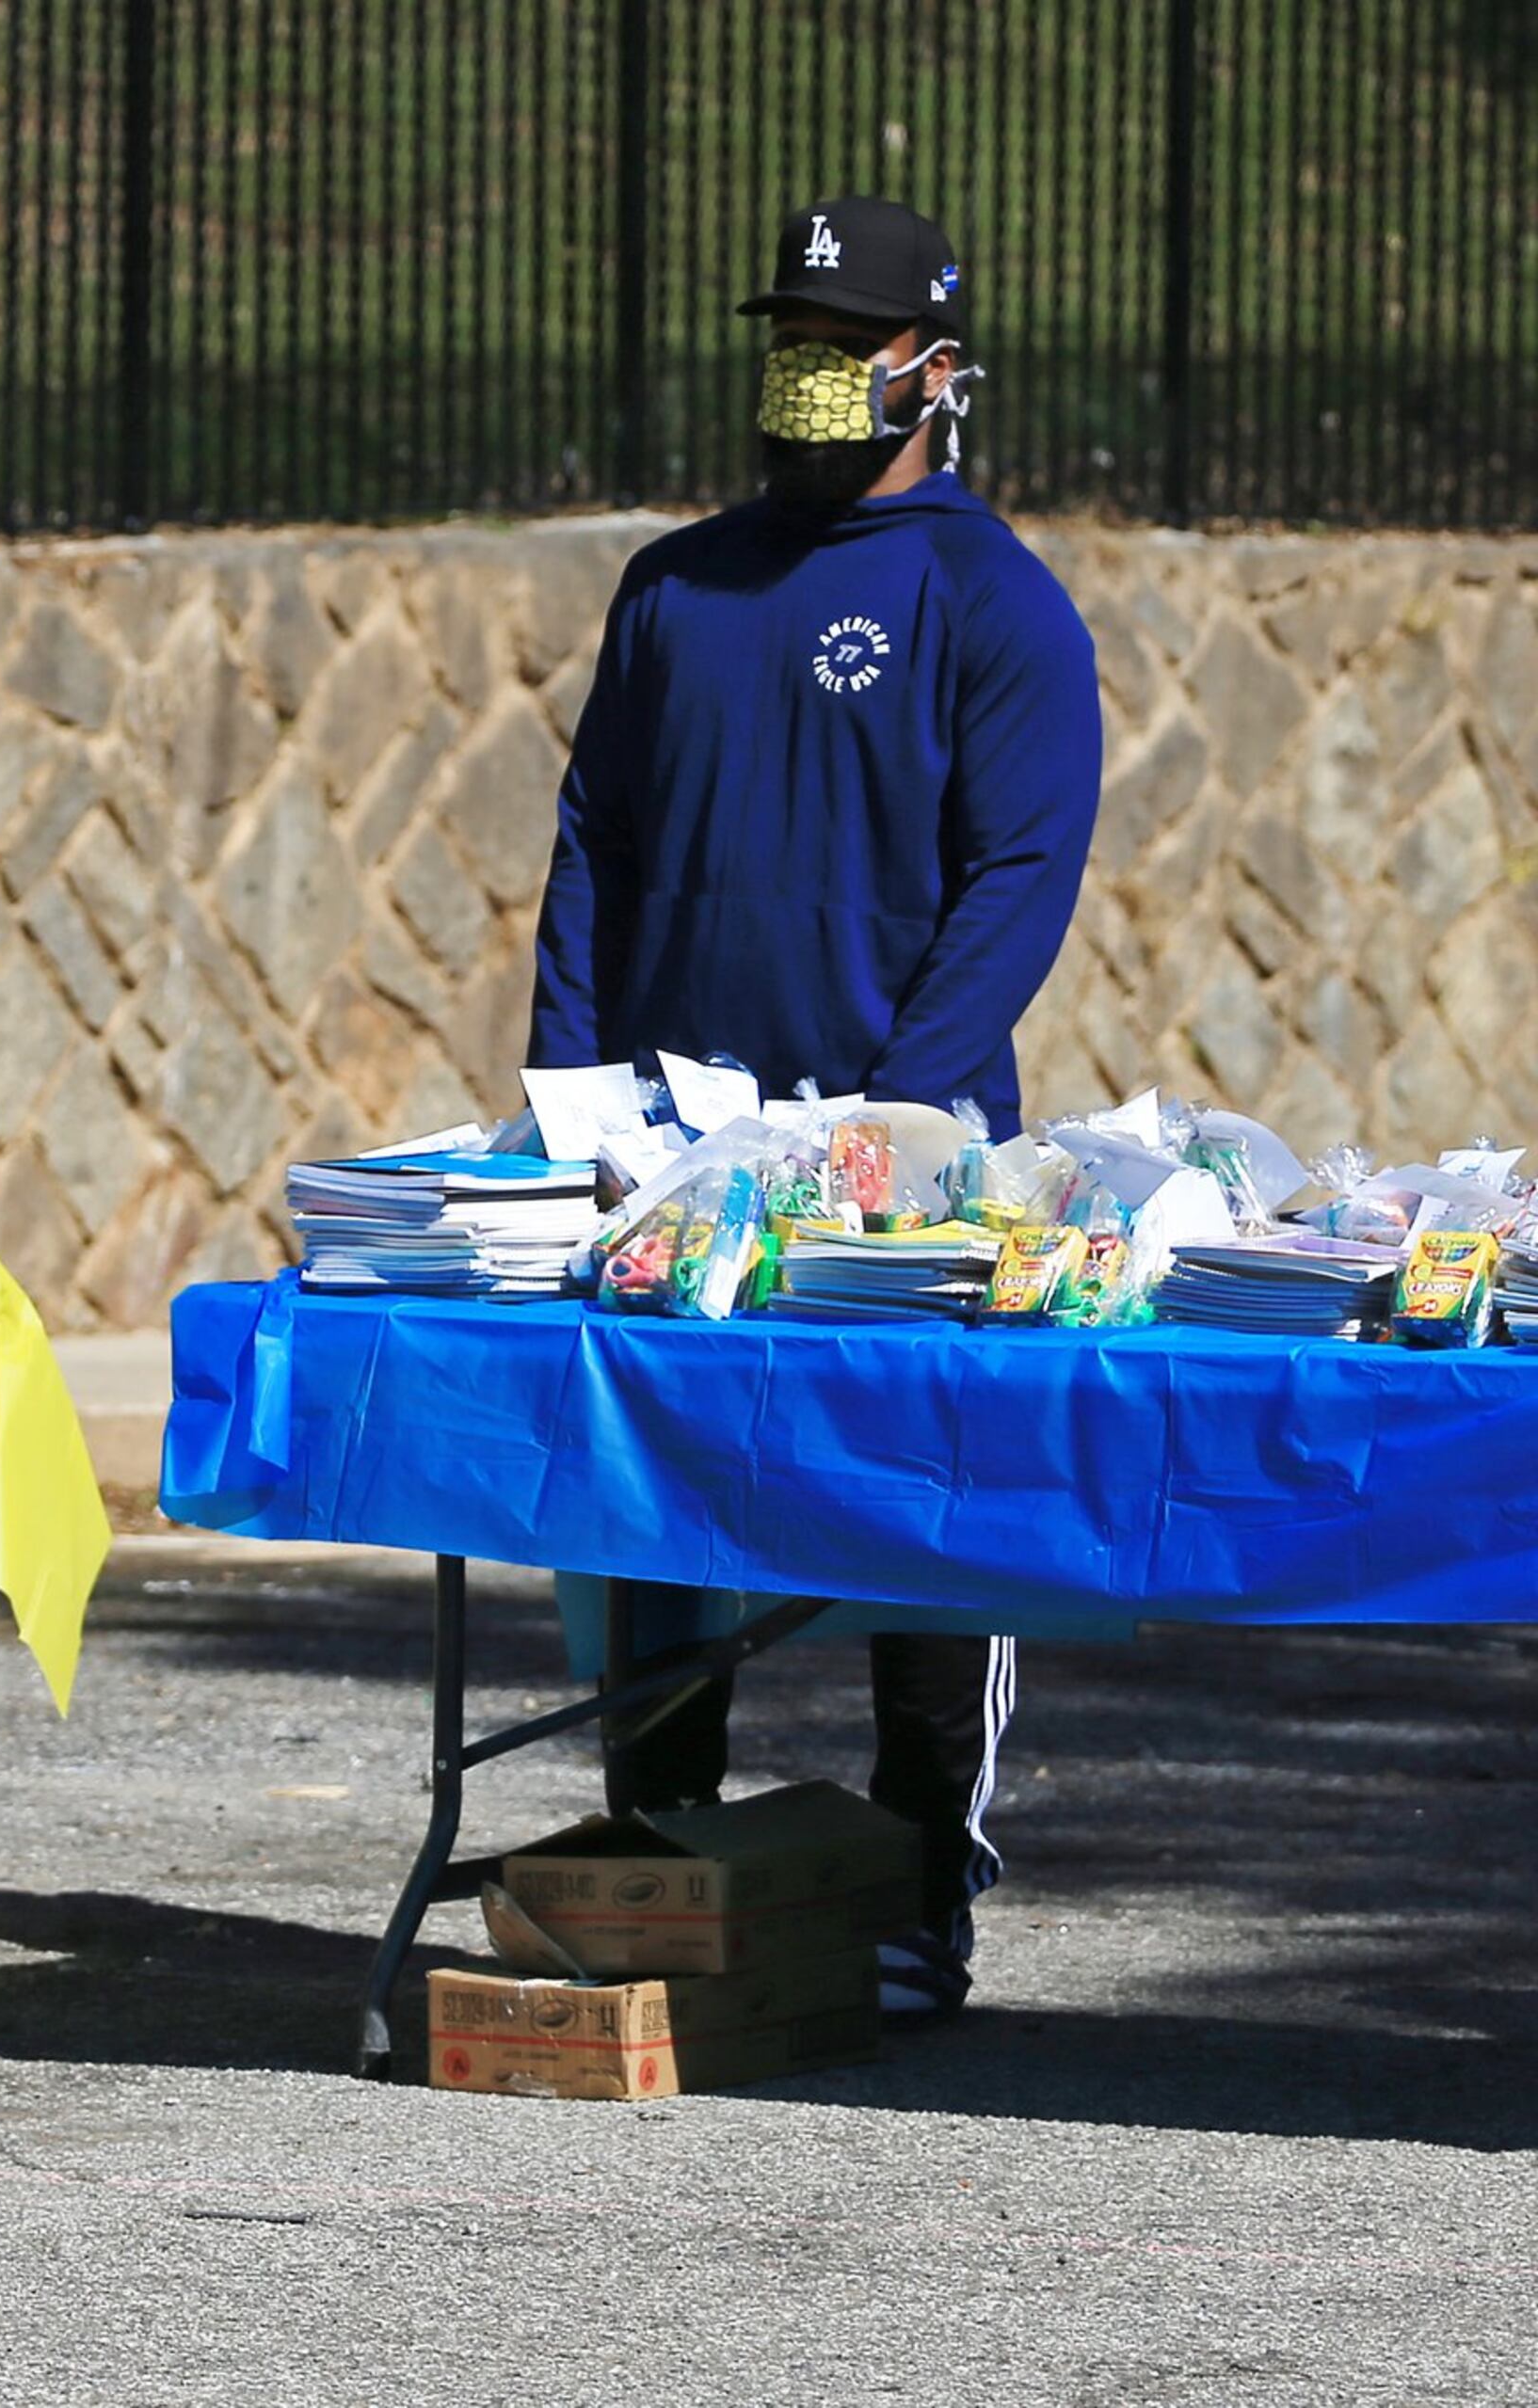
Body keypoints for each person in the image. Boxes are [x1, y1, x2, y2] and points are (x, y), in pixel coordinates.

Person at [525, 196, 1102, 2021]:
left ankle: (923, 1886)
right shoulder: (674, 585)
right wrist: (578, 1096)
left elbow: (1021, 872)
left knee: (927, 1519)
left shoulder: (988, 594)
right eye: (789, 330)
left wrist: (902, 1108)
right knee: (656, 1503)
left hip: (902, 1172)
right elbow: (594, 849)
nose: (808, 371)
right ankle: (656, 1848)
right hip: (676, 1161)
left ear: (934, 367)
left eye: (843, 340)